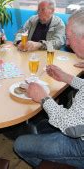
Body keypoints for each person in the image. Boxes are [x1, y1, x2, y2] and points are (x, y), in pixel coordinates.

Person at [14, 9, 84, 168]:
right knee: (42, 125)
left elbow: (72, 128)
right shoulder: (32, 20)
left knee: (19, 144)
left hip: (79, 146)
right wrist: (67, 77)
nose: (67, 43)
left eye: (69, 38)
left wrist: (44, 98)